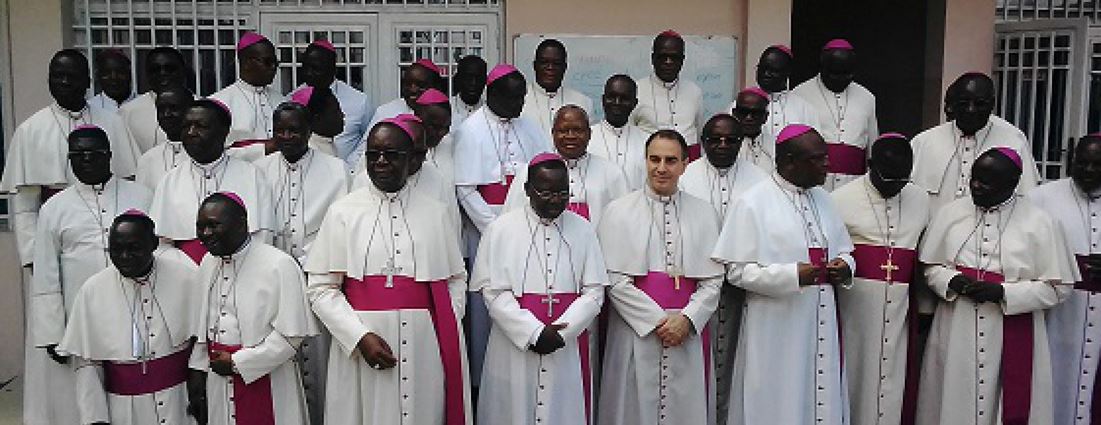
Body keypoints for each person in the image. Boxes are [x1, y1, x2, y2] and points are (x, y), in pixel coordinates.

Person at [304, 119, 470, 425]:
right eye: (373, 154)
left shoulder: (436, 212)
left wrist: (440, 326)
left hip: (424, 346)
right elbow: (321, 289)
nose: (380, 161)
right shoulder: (342, 212)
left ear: (411, 160)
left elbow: (456, 278)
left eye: (391, 154)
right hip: (361, 344)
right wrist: (359, 336)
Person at [916, 147, 1078, 425]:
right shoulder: (951, 213)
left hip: (1012, 328)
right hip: (957, 328)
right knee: (951, 399)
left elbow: (1059, 287)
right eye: (974, 179)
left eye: (986, 182)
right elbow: (930, 266)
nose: (976, 187)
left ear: (1013, 182)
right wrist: (950, 280)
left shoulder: (1040, 222)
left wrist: (1005, 293)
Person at [712, 124, 855, 425]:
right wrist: (791, 276)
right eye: (818, 159)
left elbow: (845, 251)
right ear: (789, 161)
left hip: (821, 318)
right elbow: (736, 271)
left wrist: (845, 267)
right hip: (775, 325)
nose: (827, 165)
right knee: (777, 400)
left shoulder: (825, 199)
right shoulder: (753, 201)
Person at [28, 125, 152, 425]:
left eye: (93, 153)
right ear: (69, 159)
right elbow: (45, 274)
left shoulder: (142, 194)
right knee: (84, 392)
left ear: (109, 155)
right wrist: (51, 332)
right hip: (80, 314)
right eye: (77, 155)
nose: (85, 160)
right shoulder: (53, 209)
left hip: (136, 307)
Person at [597, 129, 723, 425]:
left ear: (685, 164)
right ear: (645, 160)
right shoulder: (618, 211)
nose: (661, 168)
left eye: (670, 160)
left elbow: (714, 280)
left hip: (687, 331)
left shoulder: (705, 213)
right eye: (654, 159)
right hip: (636, 330)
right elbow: (615, 280)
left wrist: (687, 319)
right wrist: (658, 322)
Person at [473, 153, 608, 425]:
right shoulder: (500, 230)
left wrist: (564, 331)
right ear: (527, 190)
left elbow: (595, 291)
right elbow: (492, 291)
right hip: (514, 343)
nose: (556, 200)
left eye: (562, 193)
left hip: (565, 342)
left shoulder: (582, 229)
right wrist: (532, 332)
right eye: (546, 193)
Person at [452, 63, 551, 389]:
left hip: (529, 227)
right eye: (513, 98)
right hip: (486, 233)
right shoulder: (470, 129)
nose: (520, 105)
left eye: (522, 98)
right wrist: (496, 229)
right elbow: (466, 188)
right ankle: (487, 382)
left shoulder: (531, 128)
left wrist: (524, 226)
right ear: (492, 94)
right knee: (488, 306)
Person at [57, 210, 204, 425]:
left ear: (154, 243)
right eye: (116, 249)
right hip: (124, 410)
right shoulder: (93, 291)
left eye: (134, 248)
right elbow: (87, 364)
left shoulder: (187, 279)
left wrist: (200, 387)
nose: (124, 257)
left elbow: (200, 339)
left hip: (180, 401)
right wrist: (95, 418)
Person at [0, 49, 140, 272]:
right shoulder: (30, 130)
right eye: (57, 76)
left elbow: (129, 185)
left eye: (72, 76)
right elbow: (25, 206)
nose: (64, 82)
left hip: (115, 240)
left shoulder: (113, 123)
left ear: (87, 81)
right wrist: (33, 256)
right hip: (60, 237)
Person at [190, 192, 318, 425]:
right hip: (218, 379)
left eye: (214, 225)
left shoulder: (279, 264)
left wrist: (239, 363)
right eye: (201, 227)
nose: (205, 234)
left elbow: (292, 337)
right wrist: (198, 370)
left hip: (268, 378)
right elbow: (203, 328)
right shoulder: (208, 262)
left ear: (241, 223)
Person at [830, 133, 931, 425]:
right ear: (870, 164)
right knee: (854, 379)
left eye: (903, 181)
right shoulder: (839, 200)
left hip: (900, 308)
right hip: (854, 310)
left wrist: (925, 307)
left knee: (894, 382)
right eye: (888, 180)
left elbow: (923, 257)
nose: (896, 187)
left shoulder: (920, 199)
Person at [678, 113, 767, 424]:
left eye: (731, 140)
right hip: (698, 283)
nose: (723, 145)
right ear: (702, 143)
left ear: (741, 143)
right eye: (715, 139)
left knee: (737, 360)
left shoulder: (759, 179)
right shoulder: (686, 176)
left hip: (744, 286)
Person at [1030, 134, 1101, 425]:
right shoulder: (1041, 197)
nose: (1087, 170)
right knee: (1051, 383)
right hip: (1057, 314)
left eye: (1097, 165)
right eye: (1081, 162)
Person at [148, 99, 273, 264]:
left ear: (224, 131)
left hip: (243, 267)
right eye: (186, 126)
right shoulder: (170, 181)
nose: (191, 132)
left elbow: (263, 234)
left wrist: (240, 264)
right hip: (186, 274)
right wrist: (187, 268)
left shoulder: (251, 175)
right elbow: (161, 244)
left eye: (201, 126)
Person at [912, 72, 1040, 213]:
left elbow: (1028, 198)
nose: (971, 110)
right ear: (953, 104)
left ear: (992, 104)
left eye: (980, 104)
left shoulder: (1013, 140)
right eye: (963, 103)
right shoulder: (924, 142)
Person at [256, 99, 349, 263]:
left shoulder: (337, 171)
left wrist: (309, 259)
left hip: (321, 263)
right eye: (280, 131)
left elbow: (341, 225)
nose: (286, 137)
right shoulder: (259, 170)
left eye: (293, 131)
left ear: (309, 131)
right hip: (270, 264)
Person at [503, 105, 628, 227]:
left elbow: (622, 222)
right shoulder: (531, 170)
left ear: (589, 134)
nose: (571, 136)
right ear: (553, 133)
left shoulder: (612, 173)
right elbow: (512, 220)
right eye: (563, 131)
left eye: (578, 130)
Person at [793, 39, 879, 191]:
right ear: (822, 66)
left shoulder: (867, 97)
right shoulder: (800, 94)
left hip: (854, 186)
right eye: (834, 73)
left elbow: (873, 146)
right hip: (813, 186)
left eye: (846, 74)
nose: (840, 78)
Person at [300, 39, 375, 168]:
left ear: (333, 69)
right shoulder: (293, 98)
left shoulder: (359, 100)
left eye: (316, 68)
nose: (308, 73)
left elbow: (368, 140)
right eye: (305, 67)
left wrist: (348, 167)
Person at [210, 32, 286, 159]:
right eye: (267, 62)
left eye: (276, 63)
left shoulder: (281, 100)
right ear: (246, 63)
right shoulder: (218, 103)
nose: (273, 68)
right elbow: (213, 153)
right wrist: (264, 149)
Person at [631, 30, 705, 160]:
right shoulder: (636, 90)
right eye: (663, 57)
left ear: (682, 60)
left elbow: (699, 132)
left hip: (687, 164)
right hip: (651, 163)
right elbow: (628, 133)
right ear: (653, 58)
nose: (668, 62)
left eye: (674, 57)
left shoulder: (694, 91)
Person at [120, 47, 191, 153]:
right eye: (155, 69)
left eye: (170, 68)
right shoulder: (127, 112)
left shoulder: (202, 106)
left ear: (183, 71)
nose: (163, 73)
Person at [745, 45, 818, 148]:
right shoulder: (742, 105)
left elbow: (813, 146)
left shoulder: (804, 108)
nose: (766, 74)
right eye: (762, 68)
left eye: (773, 70)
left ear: (788, 72)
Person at [589, 74, 648, 190]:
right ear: (603, 100)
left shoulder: (647, 141)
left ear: (634, 104)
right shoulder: (587, 138)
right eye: (612, 97)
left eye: (624, 99)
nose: (617, 103)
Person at [522, 39, 593, 135]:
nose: (550, 68)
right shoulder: (520, 99)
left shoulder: (582, 101)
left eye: (556, 63)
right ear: (535, 65)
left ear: (565, 67)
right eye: (544, 62)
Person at [136, 86, 194, 190]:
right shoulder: (147, 160)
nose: (166, 114)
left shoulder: (205, 154)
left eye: (174, 108)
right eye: (161, 109)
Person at [369, 58, 442, 128]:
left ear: (436, 87)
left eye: (420, 85)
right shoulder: (385, 112)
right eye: (407, 84)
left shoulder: (447, 113)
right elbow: (368, 140)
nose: (412, 90)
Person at [288, 84, 345, 157]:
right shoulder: (309, 151)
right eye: (336, 111)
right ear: (316, 119)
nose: (342, 115)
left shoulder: (326, 142)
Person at [414, 88, 457, 181]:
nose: (442, 133)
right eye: (435, 127)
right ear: (417, 119)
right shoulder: (406, 148)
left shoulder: (451, 144)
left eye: (446, 127)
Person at [729, 86, 774, 172]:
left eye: (756, 113)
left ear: (765, 117)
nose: (749, 118)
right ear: (734, 113)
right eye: (743, 112)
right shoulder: (724, 145)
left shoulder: (775, 147)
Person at [452, 55, 488, 126]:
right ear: (459, 78)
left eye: (479, 78)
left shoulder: (490, 111)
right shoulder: (448, 109)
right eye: (468, 78)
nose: (473, 83)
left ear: (485, 81)